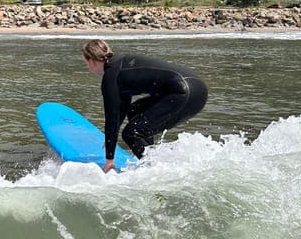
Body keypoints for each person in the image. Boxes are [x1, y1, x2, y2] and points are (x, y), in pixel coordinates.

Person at [81, 39, 208, 173]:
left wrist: (109, 160)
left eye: (86, 63)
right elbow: (121, 109)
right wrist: (110, 139)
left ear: (91, 60)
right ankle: (152, 158)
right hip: (198, 90)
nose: (88, 68)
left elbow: (112, 117)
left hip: (182, 93)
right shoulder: (121, 66)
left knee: (131, 133)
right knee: (135, 111)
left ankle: (155, 171)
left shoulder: (111, 77)